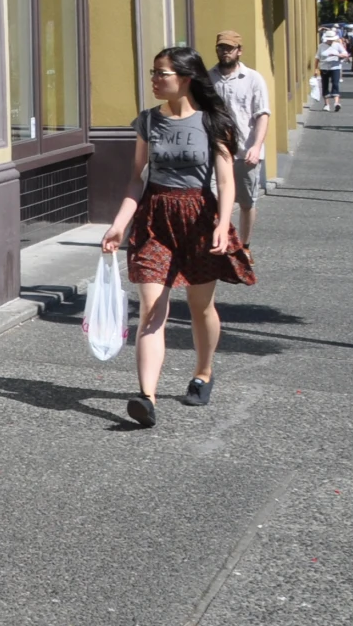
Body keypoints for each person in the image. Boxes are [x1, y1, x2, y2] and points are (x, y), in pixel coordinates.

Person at [100, 45, 255, 427]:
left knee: (201, 306)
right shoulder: (148, 122)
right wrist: (120, 222)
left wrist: (222, 223)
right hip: (155, 218)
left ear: (185, 78)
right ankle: (146, 397)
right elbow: (137, 178)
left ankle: (203, 371)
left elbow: (224, 179)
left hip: (198, 218)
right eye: (153, 73)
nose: (154, 80)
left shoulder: (213, 122)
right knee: (152, 308)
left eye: (161, 73)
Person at [211, 31, 271, 244]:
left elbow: (262, 114)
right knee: (215, 200)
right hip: (217, 150)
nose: (225, 52)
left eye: (229, 48)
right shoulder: (209, 79)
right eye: (221, 48)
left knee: (246, 203)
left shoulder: (253, 79)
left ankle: (244, 245)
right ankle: (220, 242)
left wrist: (256, 146)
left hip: (245, 151)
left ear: (239, 51)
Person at [315, 27, 349, 112]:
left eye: (332, 39)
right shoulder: (321, 46)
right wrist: (315, 69)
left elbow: (345, 54)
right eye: (329, 39)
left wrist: (337, 55)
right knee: (325, 85)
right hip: (324, 67)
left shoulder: (337, 45)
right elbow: (317, 58)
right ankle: (326, 104)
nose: (331, 41)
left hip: (335, 67)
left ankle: (336, 103)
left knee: (335, 84)